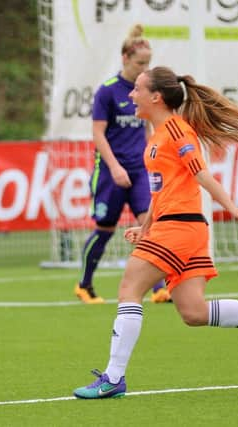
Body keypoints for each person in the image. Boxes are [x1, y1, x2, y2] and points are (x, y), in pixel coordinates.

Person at [73, 66, 238, 399]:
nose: (130, 95)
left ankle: (113, 377)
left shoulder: (178, 131)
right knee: (194, 313)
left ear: (156, 97)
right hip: (178, 227)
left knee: (129, 287)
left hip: (179, 228)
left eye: (137, 89)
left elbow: (202, 175)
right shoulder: (155, 138)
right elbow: (160, 192)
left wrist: (232, 206)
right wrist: (146, 226)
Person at [75, 24, 170, 304]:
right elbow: (98, 133)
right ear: (125, 59)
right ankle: (84, 285)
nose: (145, 68)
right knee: (104, 230)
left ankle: (158, 288)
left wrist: (154, 157)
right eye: (141, 63)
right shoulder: (108, 92)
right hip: (110, 170)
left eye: (148, 63)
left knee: (150, 226)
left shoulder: (144, 90)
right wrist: (115, 167)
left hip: (140, 170)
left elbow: (146, 129)